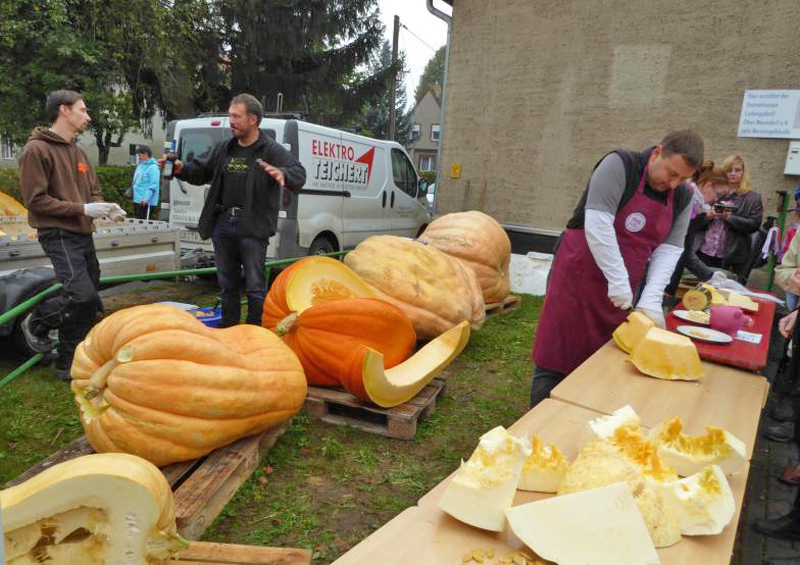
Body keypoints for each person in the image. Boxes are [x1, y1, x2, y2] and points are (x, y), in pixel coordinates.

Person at [530, 130, 703, 407]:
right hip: (578, 276)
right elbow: (598, 224)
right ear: (657, 153)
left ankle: (580, 417)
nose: (674, 184)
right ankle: (536, 418)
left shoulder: (682, 196)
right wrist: (618, 280)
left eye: (682, 178)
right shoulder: (620, 165)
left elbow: (670, 249)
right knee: (558, 352)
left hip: (619, 290)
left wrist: (651, 297)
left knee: (607, 358)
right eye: (671, 174)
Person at [163, 93, 306, 327]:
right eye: (230, 115)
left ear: (253, 119)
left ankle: (253, 333)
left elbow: (299, 173)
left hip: (253, 225)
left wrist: (285, 175)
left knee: (254, 288)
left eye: (236, 116)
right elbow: (199, 171)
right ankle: (229, 332)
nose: (231, 121)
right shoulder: (224, 148)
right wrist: (180, 168)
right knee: (227, 285)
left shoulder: (271, 150)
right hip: (223, 224)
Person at [18, 89, 126, 381]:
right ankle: (37, 321)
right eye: (83, 110)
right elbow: (35, 200)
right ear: (64, 111)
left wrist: (105, 207)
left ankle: (67, 363)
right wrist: (84, 207)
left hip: (82, 232)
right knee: (81, 296)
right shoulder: (36, 150)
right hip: (58, 233)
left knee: (90, 298)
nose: (88, 116)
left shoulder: (79, 152)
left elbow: (93, 190)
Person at [666, 160, 730, 295]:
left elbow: (685, 250)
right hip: (661, 275)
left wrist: (710, 275)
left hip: (667, 275)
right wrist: (709, 275)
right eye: (719, 194)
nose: (716, 200)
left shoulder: (695, 208)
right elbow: (682, 250)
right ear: (708, 185)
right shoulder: (686, 203)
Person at [697, 154, 763, 283]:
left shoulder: (753, 198)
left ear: (743, 172)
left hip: (732, 255)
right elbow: (695, 220)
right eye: (728, 170)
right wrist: (710, 215)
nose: (733, 174)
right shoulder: (713, 191)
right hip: (704, 250)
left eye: (737, 170)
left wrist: (729, 218)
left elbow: (754, 225)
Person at [131, 145, 160, 219]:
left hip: (146, 202)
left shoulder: (153, 168)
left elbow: (153, 185)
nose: (139, 157)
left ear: (146, 154)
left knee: (142, 224)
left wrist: (146, 198)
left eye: (140, 155)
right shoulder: (140, 166)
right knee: (137, 222)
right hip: (137, 199)